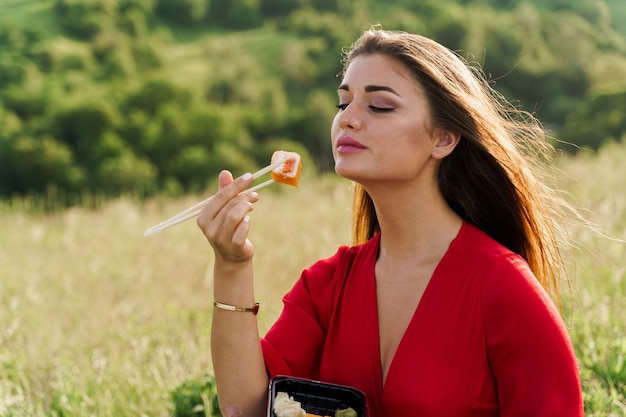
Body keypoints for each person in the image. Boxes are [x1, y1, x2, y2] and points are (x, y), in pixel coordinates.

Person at [197, 27, 584, 417]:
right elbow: (246, 409)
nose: (347, 119)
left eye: (378, 106)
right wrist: (232, 267)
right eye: (343, 103)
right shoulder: (327, 287)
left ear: (443, 138)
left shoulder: (503, 287)